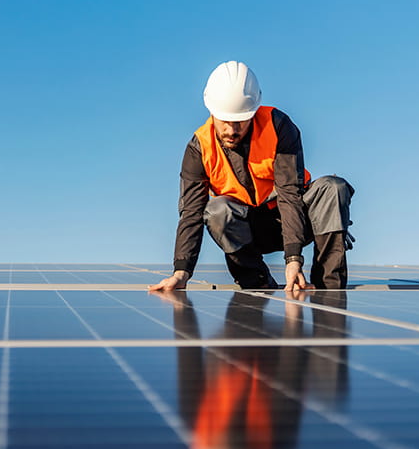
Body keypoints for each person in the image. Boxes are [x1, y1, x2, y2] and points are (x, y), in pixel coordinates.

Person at [149, 61, 354, 293]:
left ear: (253, 112)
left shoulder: (278, 126)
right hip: (248, 231)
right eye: (225, 120)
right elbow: (191, 214)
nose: (232, 130)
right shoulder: (199, 149)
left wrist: (293, 259)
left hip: (295, 218)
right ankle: (257, 283)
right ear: (212, 112)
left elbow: (290, 193)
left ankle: (329, 289)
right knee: (217, 211)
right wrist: (181, 272)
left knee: (332, 188)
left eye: (240, 121)